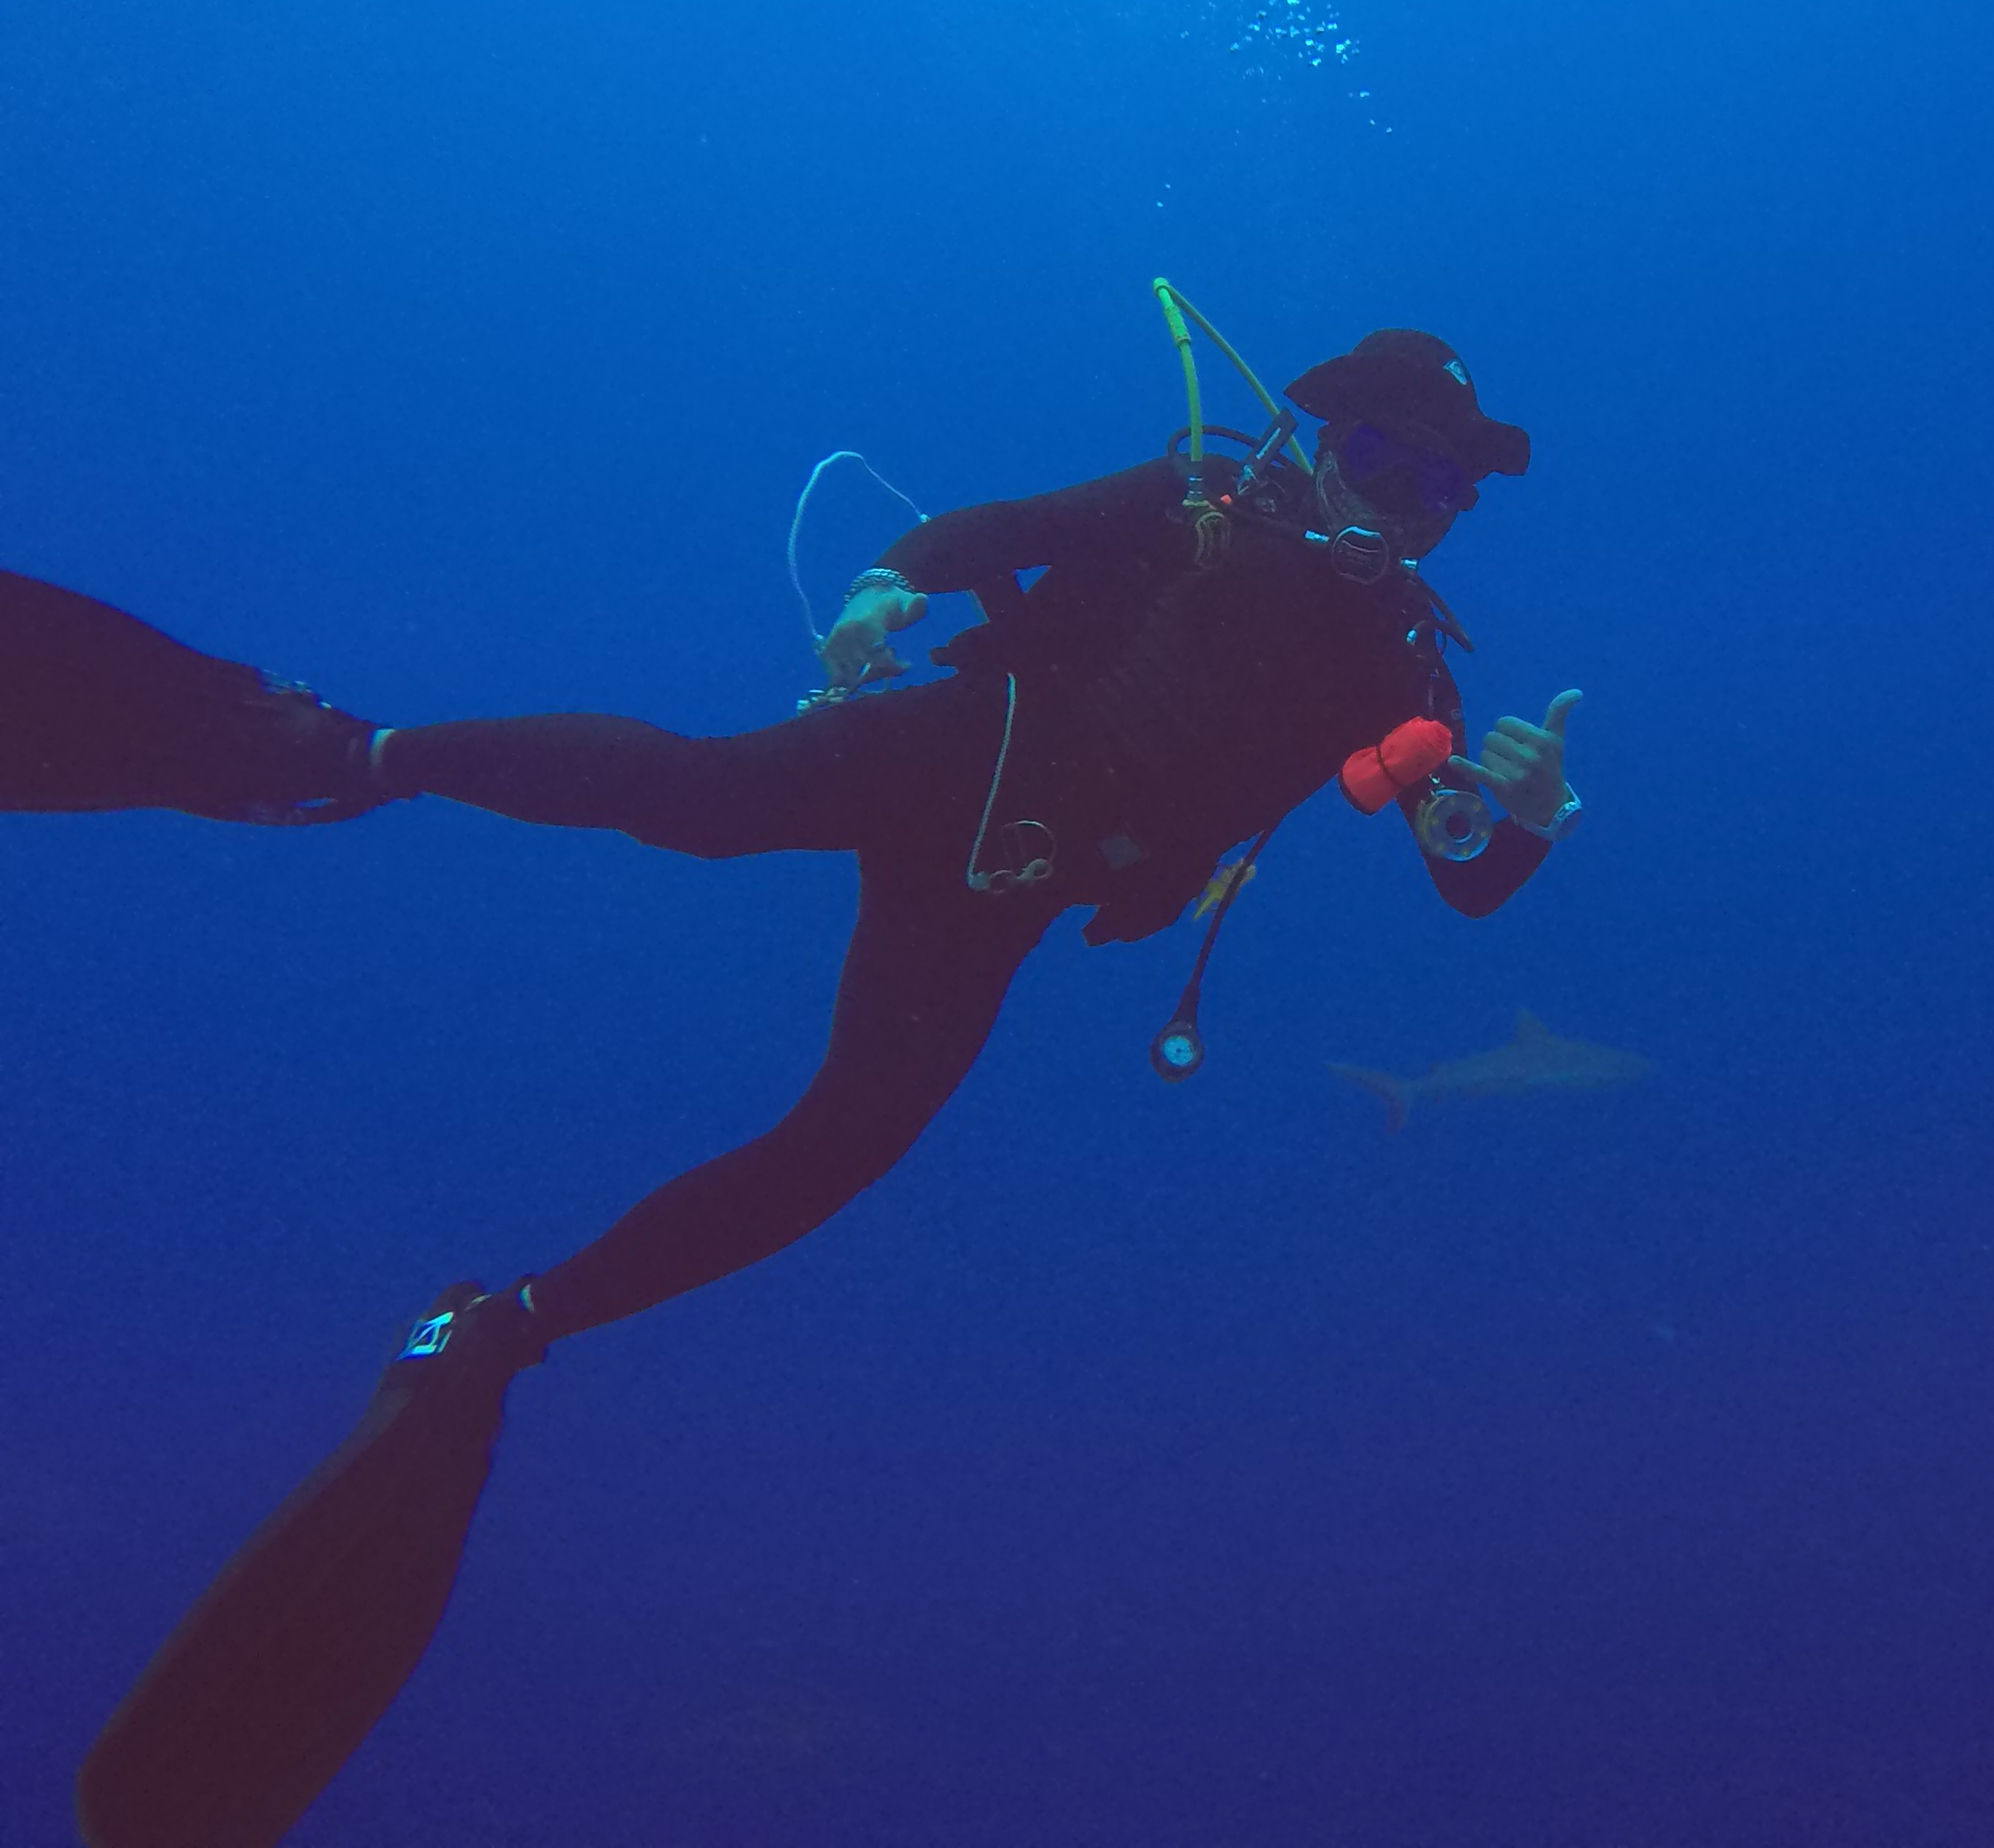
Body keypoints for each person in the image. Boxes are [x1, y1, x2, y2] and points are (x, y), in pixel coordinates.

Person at [11, 326, 1585, 1848]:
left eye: (1441, 485)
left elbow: (1460, 871)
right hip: (953, 750)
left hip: (1008, 888)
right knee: (703, 797)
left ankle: (504, 1333)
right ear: (1321, 435)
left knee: (845, 1146)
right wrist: (885, 587)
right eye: (1379, 452)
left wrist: (1527, 821)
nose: (1399, 495)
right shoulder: (1194, 497)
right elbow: (994, 531)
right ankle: (346, 748)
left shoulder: (1403, 668)